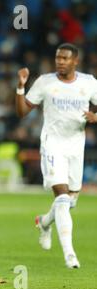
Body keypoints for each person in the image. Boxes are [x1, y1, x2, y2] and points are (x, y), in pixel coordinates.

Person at [15, 43, 97, 269]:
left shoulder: (88, 83)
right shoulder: (45, 82)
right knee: (61, 198)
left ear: (75, 61)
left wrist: (95, 117)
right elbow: (22, 111)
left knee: (69, 203)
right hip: (52, 145)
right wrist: (21, 87)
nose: (60, 61)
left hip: (75, 147)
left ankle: (43, 222)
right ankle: (70, 254)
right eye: (58, 58)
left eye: (65, 58)